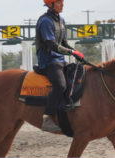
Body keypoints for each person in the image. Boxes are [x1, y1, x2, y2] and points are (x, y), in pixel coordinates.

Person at [36, 0, 85, 132]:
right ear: (50, 4)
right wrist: (71, 52)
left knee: (78, 74)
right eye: (58, 2)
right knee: (60, 85)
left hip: (60, 60)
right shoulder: (45, 21)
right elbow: (51, 44)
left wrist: (75, 52)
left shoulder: (61, 20)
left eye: (62, 2)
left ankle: (68, 108)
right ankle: (47, 118)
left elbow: (64, 43)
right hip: (48, 61)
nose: (62, 4)